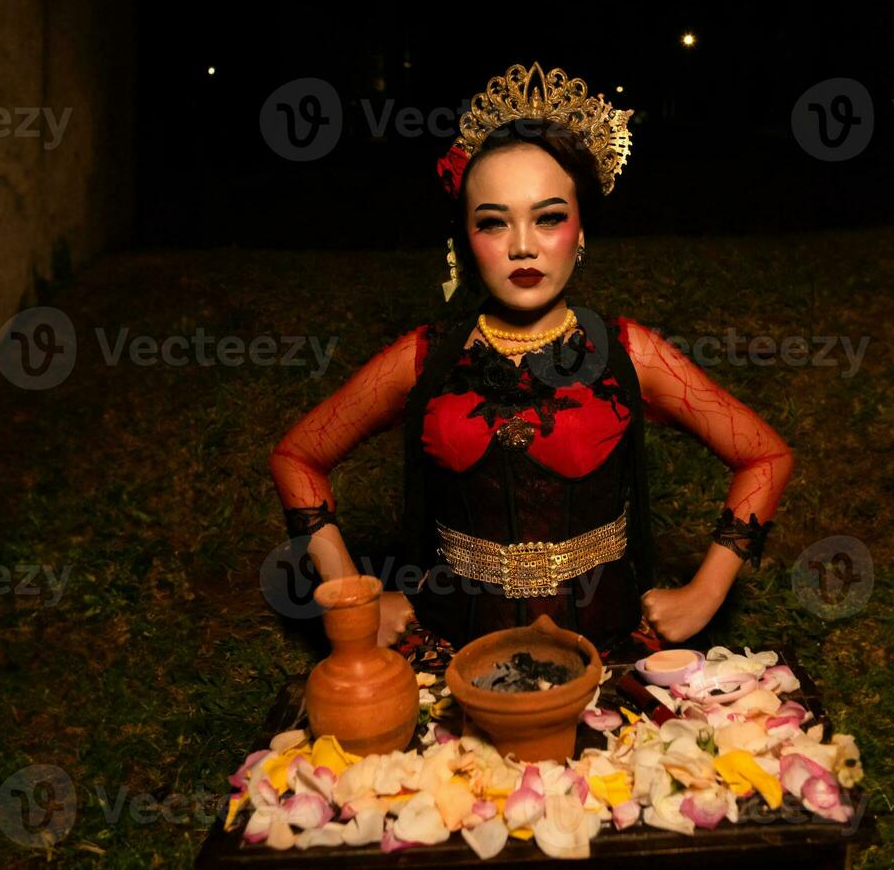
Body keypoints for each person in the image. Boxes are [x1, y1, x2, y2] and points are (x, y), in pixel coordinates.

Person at [269, 63, 794, 673]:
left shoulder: (630, 353)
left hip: (611, 652)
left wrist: (704, 594)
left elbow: (766, 456)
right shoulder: (424, 358)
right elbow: (296, 457)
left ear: (580, 231)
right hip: (448, 658)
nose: (524, 245)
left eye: (548, 217)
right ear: (465, 241)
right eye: (494, 222)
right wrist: (354, 597)